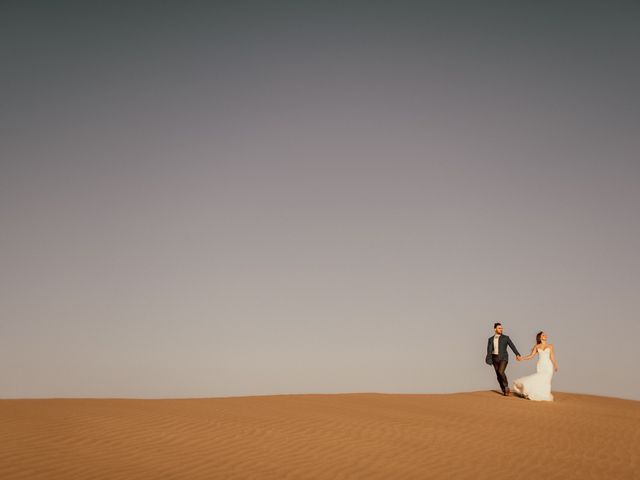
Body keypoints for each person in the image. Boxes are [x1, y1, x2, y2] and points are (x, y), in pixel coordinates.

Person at [512, 331, 558, 401]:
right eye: (543, 335)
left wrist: (555, 365)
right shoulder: (537, 346)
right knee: (538, 378)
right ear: (540, 337)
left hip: (548, 366)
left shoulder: (550, 346)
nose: (545, 336)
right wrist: (522, 358)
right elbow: (531, 356)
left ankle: (544, 394)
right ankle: (528, 389)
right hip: (541, 365)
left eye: (545, 335)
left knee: (546, 381)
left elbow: (552, 357)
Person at [485, 323, 522, 396]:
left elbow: (512, 346)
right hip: (494, 358)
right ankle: (504, 390)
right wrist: (488, 358)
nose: (501, 329)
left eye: (501, 328)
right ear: (495, 329)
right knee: (498, 375)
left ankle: (506, 386)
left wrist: (517, 354)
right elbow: (489, 350)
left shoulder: (506, 338)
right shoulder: (490, 339)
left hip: (504, 358)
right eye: (499, 328)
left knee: (500, 371)